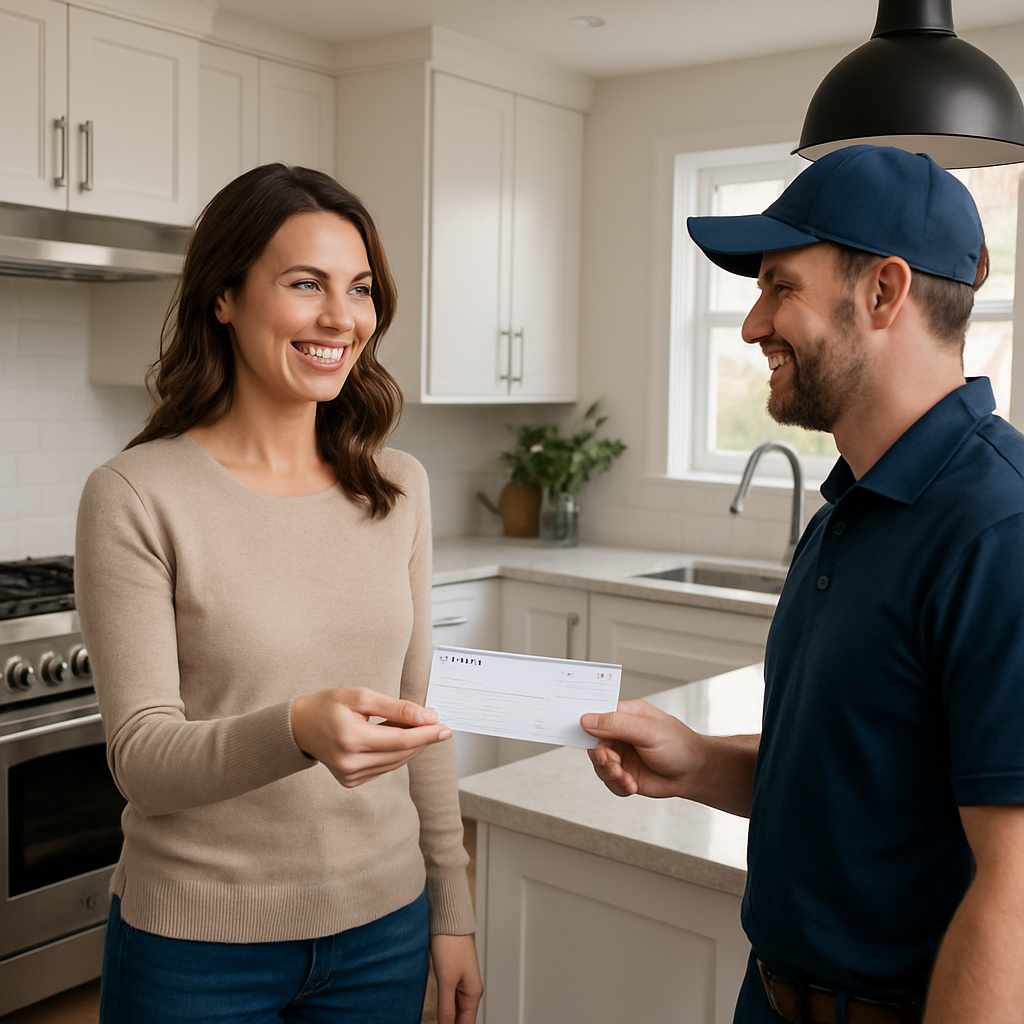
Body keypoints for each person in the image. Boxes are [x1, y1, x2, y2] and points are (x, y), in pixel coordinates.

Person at [582, 145, 1024, 1023]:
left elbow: (1014, 895)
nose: (753, 325)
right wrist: (702, 763)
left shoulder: (998, 530)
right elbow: (866, 776)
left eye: (780, 285)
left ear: (884, 292)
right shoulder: (846, 509)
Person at [74, 164, 482, 1024]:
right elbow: (142, 761)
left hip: (385, 928)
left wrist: (452, 907)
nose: (343, 317)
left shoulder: (397, 486)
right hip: (196, 950)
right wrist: (295, 728)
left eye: (361, 288)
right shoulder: (137, 494)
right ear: (224, 296)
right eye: (306, 284)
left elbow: (425, 707)